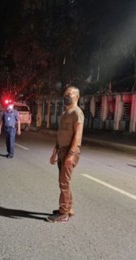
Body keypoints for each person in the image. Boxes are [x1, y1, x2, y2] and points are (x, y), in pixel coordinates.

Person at [46, 86, 84, 223]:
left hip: (70, 151)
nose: (67, 96)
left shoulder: (77, 113)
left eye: (70, 94)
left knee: (64, 182)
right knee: (65, 182)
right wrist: (54, 152)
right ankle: (69, 209)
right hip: (62, 150)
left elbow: (78, 135)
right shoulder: (64, 114)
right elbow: (60, 135)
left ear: (77, 97)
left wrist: (71, 154)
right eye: (65, 94)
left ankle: (63, 213)